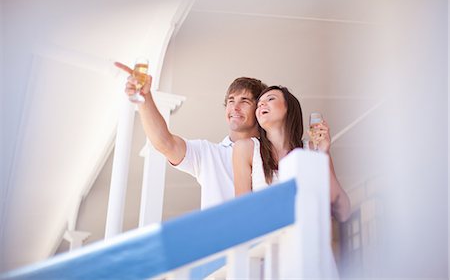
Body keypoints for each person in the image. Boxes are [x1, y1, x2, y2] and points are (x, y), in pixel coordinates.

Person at [115, 62, 267, 209]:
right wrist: (144, 96)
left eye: (244, 101)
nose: (234, 107)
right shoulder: (208, 154)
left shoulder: (274, 150)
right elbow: (165, 143)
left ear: (259, 108)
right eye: (230, 101)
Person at [233, 85, 351, 222]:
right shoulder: (246, 148)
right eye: (259, 104)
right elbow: (242, 211)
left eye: (270, 99)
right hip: (267, 240)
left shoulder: (312, 150)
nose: (261, 105)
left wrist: (323, 153)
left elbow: (343, 212)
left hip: (304, 239)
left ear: (289, 108)